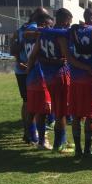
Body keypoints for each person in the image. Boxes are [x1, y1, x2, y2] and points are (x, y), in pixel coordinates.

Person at [10, 7, 49, 143]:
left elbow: (13, 49)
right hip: (32, 70)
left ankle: (28, 132)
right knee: (37, 104)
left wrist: (18, 60)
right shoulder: (36, 29)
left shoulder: (21, 29)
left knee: (27, 102)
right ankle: (34, 134)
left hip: (22, 70)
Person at [37, 8, 73, 153]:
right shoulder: (61, 35)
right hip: (60, 75)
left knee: (58, 109)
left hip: (49, 75)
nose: (69, 26)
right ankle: (59, 144)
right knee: (61, 111)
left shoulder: (44, 33)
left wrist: (50, 61)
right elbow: (67, 56)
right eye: (69, 23)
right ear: (65, 20)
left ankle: (62, 140)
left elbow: (38, 55)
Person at [68, 8, 92, 157]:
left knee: (76, 115)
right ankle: (86, 150)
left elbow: (70, 58)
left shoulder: (72, 32)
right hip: (91, 80)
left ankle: (78, 150)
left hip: (75, 79)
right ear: (90, 17)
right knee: (91, 115)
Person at [25, 12, 53, 149]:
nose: (51, 28)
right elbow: (39, 57)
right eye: (49, 25)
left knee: (33, 110)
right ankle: (42, 141)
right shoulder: (40, 34)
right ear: (42, 24)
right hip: (41, 76)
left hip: (31, 76)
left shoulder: (25, 32)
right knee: (42, 111)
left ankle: (29, 135)